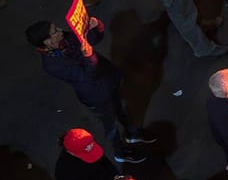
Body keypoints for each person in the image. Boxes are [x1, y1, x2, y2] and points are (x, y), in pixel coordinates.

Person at [31, 17, 152, 165]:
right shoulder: (53, 65)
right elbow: (86, 75)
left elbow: (93, 39)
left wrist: (96, 27)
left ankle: (132, 134)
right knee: (110, 126)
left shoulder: (66, 39)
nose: (61, 31)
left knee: (121, 109)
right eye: (55, 31)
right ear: (47, 42)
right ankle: (120, 152)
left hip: (108, 80)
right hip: (96, 95)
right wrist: (89, 57)